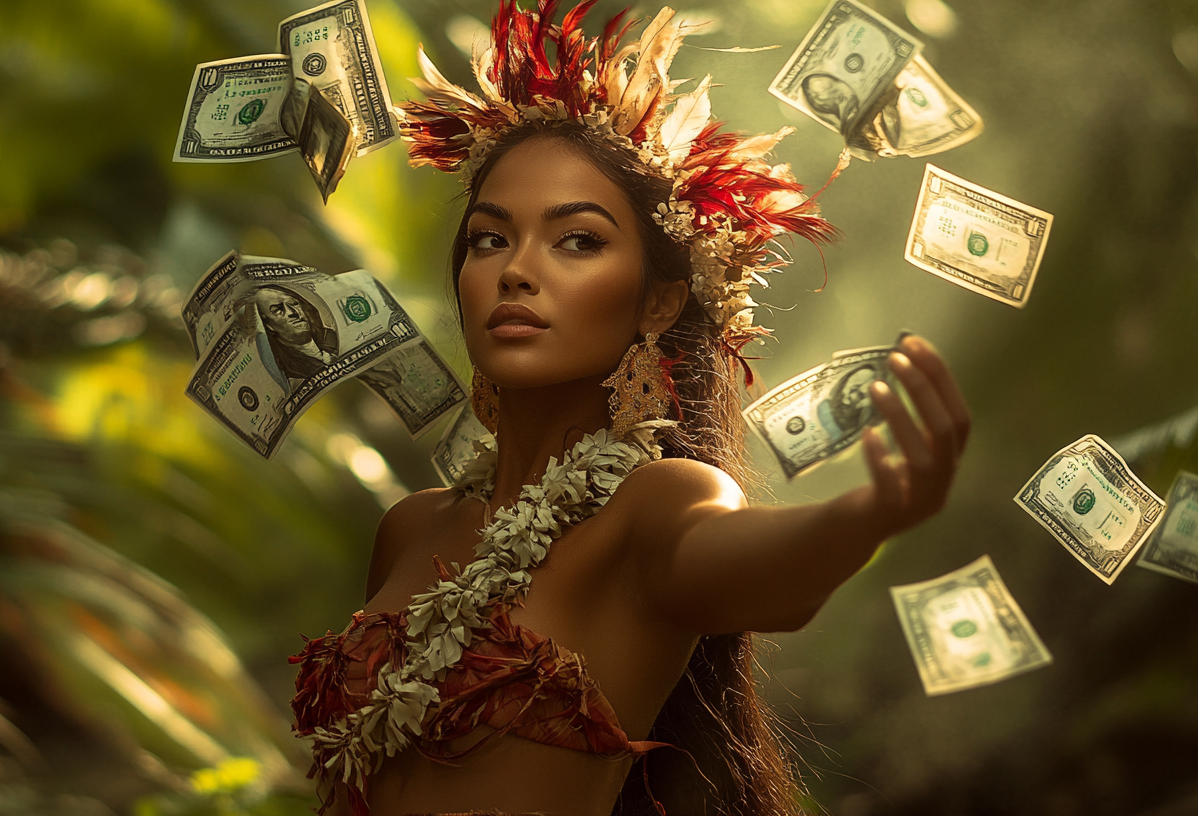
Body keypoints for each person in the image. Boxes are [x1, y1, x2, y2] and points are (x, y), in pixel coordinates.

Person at [288, 5, 971, 815]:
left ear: (659, 302)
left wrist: (870, 513)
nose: (516, 271)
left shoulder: (656, 503)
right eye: (488, 239)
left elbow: (766, 574)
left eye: (577, 240)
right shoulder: (409, 529)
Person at [254, 284, 338, 380]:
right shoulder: (286, 367)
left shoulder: (332, 337)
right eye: (277, 310)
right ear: (268, 326)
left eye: (294, 303)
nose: (292, 312)